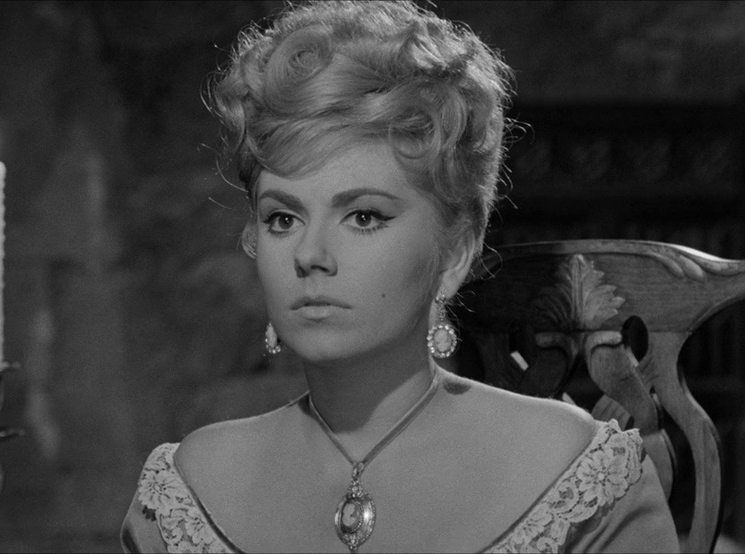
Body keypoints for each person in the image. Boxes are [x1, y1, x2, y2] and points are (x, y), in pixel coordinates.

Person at [121, 1, 679, 552]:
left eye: (363, 216)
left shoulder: (580, 477)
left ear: (454, 253)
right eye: (283, 218)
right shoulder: (186, 493)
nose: (310, 254)